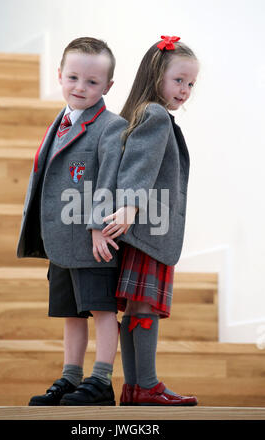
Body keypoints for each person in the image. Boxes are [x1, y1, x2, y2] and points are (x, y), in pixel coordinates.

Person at [17, 37, 127, 406]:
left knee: (101, 309)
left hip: (94, 240)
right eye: (73, 77)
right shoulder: (59, 120)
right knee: (70, 312)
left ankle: (101, 380)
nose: (81, 87)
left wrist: (98, 222)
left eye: (92, 82)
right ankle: (71, 376)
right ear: (59, 75)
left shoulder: (111, 126)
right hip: (62, 238)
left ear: (108, 86)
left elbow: (110, 177)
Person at [102, 35, 200, 406]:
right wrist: (129, 206)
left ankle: (134, 386)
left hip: (143, 228)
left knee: (138, 308)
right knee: (145, 307)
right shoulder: (156, 115)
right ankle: (145, 385)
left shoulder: (144, 113)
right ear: (156, 74)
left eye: (191, 84)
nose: (186, 90)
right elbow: (139, 166)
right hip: (148, 228)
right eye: (179, 80)